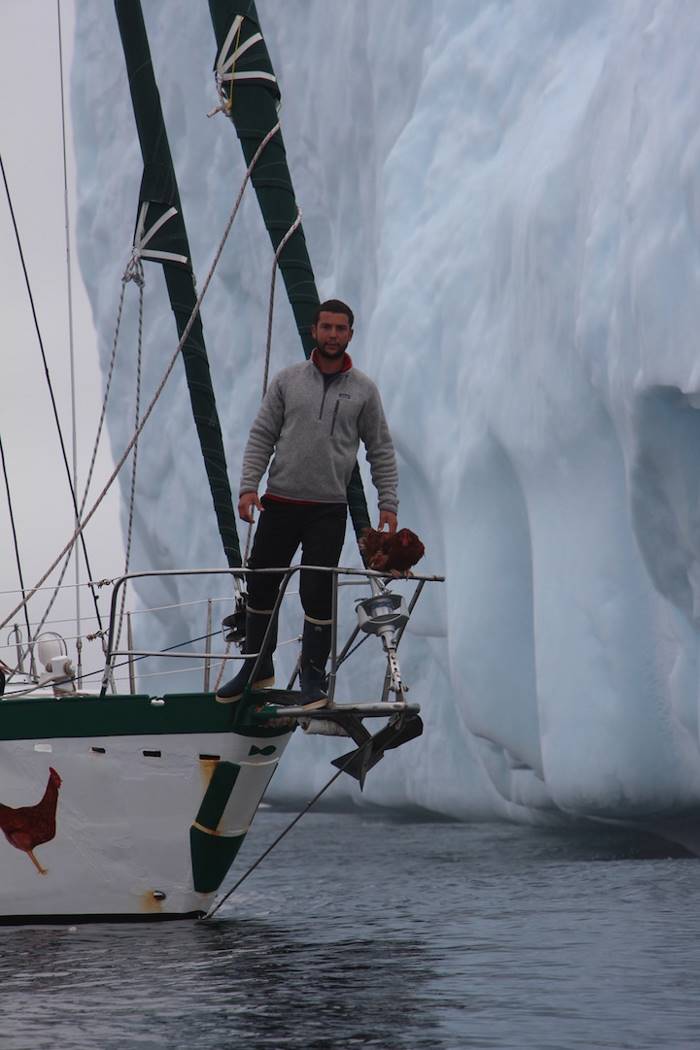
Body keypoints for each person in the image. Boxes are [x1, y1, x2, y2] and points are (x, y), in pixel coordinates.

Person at [217, 299, 398, 706]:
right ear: (314, 331)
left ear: (351, 334)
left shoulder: (364, 391)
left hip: (327, 509)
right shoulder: (287, 381)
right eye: (327, 327)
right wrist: (249, 486)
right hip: (279, 503)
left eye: (341, 328)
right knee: (262, 585)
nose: (333, 335)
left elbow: (380, 449)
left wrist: (388, 502)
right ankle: (257, 666)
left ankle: (313, 678)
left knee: (317, 590)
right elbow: (262, 435)